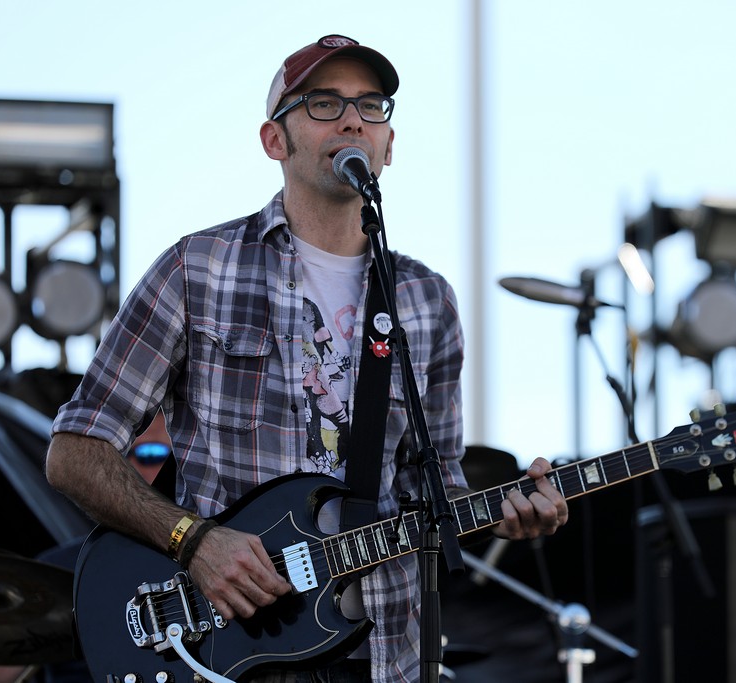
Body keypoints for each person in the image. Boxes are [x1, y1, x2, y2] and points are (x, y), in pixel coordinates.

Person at [45, 33, 568, 683]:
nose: (352, 119)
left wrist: (507, 512)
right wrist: (193, 539)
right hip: (228, 647)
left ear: (388, 145)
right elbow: (75, 450)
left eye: (371, 105)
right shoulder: (197, 270)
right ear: (275, 140)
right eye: (324, 103)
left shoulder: (427, 300)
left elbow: (435, 488)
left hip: (386, 656)